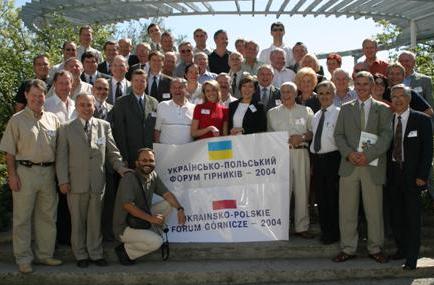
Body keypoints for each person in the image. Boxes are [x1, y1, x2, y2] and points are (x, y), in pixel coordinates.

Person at [56, 93, 129, 268]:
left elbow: (112, 152)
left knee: (95, 220)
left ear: (94, 106)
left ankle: (96, 253)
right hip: (75, 182)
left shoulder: (104, 126)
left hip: (97, 181)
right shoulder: (66, 128)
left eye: (89, 105)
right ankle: (81, 255)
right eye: (82, 105)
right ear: (76, 107)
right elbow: (61, 157)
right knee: (78, 221)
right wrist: (63, 180)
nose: (86, 108)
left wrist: (120, 168)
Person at [0, 79, 62, 273]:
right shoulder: (17, 120)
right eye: (33, 95)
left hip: (48, 173)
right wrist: (12, 175)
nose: (37, 99)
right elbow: (9, 152)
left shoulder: (53, 119)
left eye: (40, 95)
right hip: (24, 173)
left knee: (47, 217)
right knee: (22, 218)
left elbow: (60, 149)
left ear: (45, 96)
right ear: (26, 95)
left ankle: (45, 255)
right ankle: (24, 259)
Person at [333, 71, 392, 263]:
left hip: (372, 166)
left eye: (365, 84)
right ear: (354, 85)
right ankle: (348, 248)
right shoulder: (345, 108)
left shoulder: (383, 109)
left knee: (374, 211)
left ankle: (375, 248)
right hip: (349, 165)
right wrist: (349, 154)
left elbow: (386, 137)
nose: (361, 88)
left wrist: (367, 155)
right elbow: (338, 135)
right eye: (357, 84)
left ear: (373, 85)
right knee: (347, 210)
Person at [386, 84, 433, 270]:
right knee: (396, 216)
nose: (398, 99)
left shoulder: (421, 119)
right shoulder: (388, 120)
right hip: (392, 175)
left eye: (401, 96)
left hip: (413, 177)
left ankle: (412, 257)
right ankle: (402, 250)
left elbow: (427, 150)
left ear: (409, 98)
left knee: (412, 218)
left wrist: (422, 175)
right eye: (394, 96)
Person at [113, 148, 186, 265]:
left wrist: (180, 209)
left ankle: (150, 232)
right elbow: (128, 206)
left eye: (151, 161)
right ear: (137, 163)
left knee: (168, 204)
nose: (148, 163)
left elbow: (167, 194)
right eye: (144, 160)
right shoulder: (129, 178)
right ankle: (126, 251)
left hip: (141, 219)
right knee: (157, 242)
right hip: (125, 226)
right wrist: (152, 219)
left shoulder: (153, 175)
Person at [267, 82, 314, 239]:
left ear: (296, 94)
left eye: (289, 92)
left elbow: (311, 133)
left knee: (302, 190)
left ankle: (302, 227)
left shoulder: (306, 111)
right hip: (281, 155)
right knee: (282, 191)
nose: (286, 95)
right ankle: (282, 226)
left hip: (301, 152)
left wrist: (300, 137)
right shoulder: (272, 113)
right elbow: (269, 136)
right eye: (284, 92)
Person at [309, 81, 341, 245]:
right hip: (318, 161)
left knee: (333, 198)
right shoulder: (316, 115)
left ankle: (334, 233)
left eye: (327, 93)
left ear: (333, 95)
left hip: (333, 159)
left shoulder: (339, 113)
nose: (324, 97)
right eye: (320, 94)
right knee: (321, 198)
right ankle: (325, 231)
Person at [112, 69, 158, 168]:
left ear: (146, 83)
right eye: (136, 81)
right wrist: (124, 157)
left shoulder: (154, 102)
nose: (139, 84)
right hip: (131, 155)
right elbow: (119, 132)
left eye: (142, 81)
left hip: (150, 155)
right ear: (131, 83)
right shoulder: (121, 102)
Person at [154, 78, 195, 144]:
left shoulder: (194, 108)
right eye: (174, 87)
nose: (177, 90)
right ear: (170, 90)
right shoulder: (162, 105)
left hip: (188, 151)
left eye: (180, 87)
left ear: (186, 89)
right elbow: (157, 130)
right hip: (165, 150)